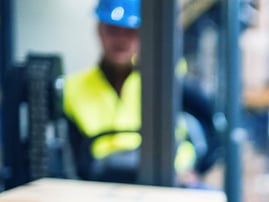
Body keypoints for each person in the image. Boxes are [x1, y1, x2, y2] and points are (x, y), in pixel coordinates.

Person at [63, 0, 213, 185]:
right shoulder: (72, 88)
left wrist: (197, 169)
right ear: (99, 30)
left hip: (169, 181)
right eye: (113, 30)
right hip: (101, 184)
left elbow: (213, 123)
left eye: (130, 31)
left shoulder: (166, 79)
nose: (121, 39)